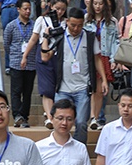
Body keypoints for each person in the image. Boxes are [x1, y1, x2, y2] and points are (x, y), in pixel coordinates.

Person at [41, 8, 108, 145]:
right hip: (63, 88)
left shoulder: (89, 37)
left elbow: (97, 59)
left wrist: (104, 80)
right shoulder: (60, 36)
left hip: (82, 87)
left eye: (79, 25)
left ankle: (79, 149)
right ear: (67, 22)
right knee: (59, 121)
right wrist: (46, 37)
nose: (76, 29)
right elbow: (45, 57)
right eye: (72, 25)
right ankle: (60, 147)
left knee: (81, 122)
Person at [24, 0, 67, 128]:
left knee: (60, 87)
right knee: (47, 89)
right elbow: (34, 39)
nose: (59, 12)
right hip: (44, 54)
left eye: (62, 9)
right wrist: (25, 56)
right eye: (57, 8)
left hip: (61, 56)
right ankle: (49, 117)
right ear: (50, 6)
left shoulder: (66, 22)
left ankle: (57, 115)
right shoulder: (41, 20)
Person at [86, 0, 117, 130]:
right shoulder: (86, 19)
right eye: (95, 3)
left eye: (100, 3)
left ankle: (96, 117)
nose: (98, 6)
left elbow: (116, 41)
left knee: (100, 90)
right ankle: (92, 116)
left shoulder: (112, 21)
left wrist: (114, 59)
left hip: (104, 56)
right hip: (89, 57)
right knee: (91, 88)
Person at [4, 0, 38, 127]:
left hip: (31, 63)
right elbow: (7, 44)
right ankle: (17, 116)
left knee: (27, 92)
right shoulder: (11, 26)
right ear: (18, 9)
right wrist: (14, 56)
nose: (28, 11)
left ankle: (25, 116)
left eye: (29, 9)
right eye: (25, 9)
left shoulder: (34, 25)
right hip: (16, 62)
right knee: (16, 91)